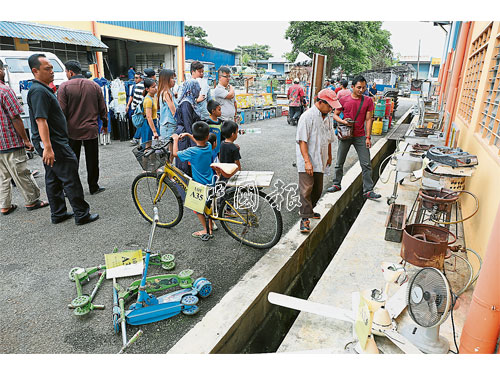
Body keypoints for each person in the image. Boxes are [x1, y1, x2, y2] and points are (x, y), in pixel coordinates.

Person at [26, 53, 99, 225]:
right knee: (70, 176)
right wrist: (48, 147)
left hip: (51, 142)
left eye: (52, 68)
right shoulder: (38, 91)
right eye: (47, 68)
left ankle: (58, 213)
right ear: (35, 71)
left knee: (53, 177)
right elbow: (40, 120)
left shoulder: (42, 89)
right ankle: (82, 214)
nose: (52, 71)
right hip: (54, 143)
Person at [0, 59, 48, 215]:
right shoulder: (5, 91)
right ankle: (32, 201)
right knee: (21, 172)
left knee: (3, 176)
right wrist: (26, 140)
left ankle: (5, 205)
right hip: (10, 141)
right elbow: (15, 117)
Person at [57, 60, 108, 195]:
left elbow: (61, 111)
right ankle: (93, 186)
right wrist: (105, 124)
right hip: (91, 129)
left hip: (71, 130)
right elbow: (103, 108)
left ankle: (71, 189)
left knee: (72, 161)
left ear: (70, 72)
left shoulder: (64, 87)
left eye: (66, 72)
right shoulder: (94, 86)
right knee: (92, 160)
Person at [327, 75, 381, 200]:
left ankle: (368, 190)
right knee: (339, 161)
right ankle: (336, 184)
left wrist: (368, 137)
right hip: (345, 133)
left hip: (360, 135)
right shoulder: (344, 99)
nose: (361, 90)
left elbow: (368, 119)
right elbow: (335, 115)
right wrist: (343, 121)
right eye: (358, 87)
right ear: (352, 87)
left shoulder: (368, 101)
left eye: (363, 87)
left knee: (366, 163)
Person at [296, 89, 341, 234]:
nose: (331, 108)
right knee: (306, 188)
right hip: (307, 159)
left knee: (317, 188)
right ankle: (304, 218)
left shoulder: (327, 117)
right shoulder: (307, 117)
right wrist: (307, 162)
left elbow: (328, 138)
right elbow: (302, 141)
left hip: (320, 158)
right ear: (320, 102)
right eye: (329, 105)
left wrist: (329, 155)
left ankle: (309, 210)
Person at [171, 121, 215, 241]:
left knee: (198, 208)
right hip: (211, 181)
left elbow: (175, 153)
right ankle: (211, 225)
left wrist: (175, 139)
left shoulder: (192, 151)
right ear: (207, 136)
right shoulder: (209, 146)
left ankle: (206, 230)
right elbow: (199, 141)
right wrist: (189, 135)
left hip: (199, 184)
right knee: (208, 205)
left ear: (195, 136)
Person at [174, 77, 202, 176]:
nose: (199, 90)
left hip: (187, 135)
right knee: (184, 164)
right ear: (192, 89)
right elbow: (187, 124)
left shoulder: (191, 101)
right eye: (198, 88)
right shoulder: (186, 103)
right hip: (185, 137)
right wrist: (194, 142)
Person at [157, 69, 177, 161]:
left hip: (168, 125)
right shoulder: (166, 93)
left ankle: (168, 172)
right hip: (169, 125)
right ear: (166, 80)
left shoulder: (167, 92)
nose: (174, 80)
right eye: (172, 78)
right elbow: (173, 111)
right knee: (170, 152)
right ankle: (167, 172)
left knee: (171, 152)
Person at [141, 78, 159, 149]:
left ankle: (151, 160)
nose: (155, 88)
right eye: (153, 87)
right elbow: (149, 117)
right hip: (149, 124)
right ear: (147, 89)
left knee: (153, 147)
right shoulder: (148, 100)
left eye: (155, 86)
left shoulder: (154, 97)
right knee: (148, 147)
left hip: (154, 122)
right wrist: (154, 131)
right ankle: (146, 160)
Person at [127, 72, 144, 145]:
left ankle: (136, 138)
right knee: (139, 123)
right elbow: (131, 96)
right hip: (136, 108)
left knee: (141, 123)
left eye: (137, 78)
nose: (135, 79)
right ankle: (137, 138)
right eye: (135, 78)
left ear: (141, 78)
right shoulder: (134, 86)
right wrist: (128, 105)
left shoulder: (145, 85)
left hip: (142, 108)